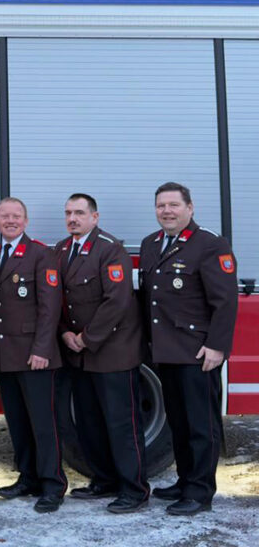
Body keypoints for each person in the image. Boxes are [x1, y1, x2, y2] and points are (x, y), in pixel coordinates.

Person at [139, 182, 238, 516]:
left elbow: (225, 301)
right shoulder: (151, 244)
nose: (166, 211)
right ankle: (185, 481)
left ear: (190, 208)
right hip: (165, 352)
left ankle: (200, 492)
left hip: (197, 353)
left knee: (201, 426)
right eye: (161, 205)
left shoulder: (210, 244)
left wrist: (217, 347)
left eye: (174, 205)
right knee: (179, 424)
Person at [55, 193, 149, 514]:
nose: (72, 219)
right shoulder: (62, 250)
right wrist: (64, 332)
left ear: (94, 217)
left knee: (122, 425)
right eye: (68, 213)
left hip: (112, 353)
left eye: (80, 213)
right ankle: (104, 480)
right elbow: (57, 299)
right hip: (79, 355)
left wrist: (86, 338)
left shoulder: (110, 249)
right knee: (89, 423)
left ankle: (134, 489)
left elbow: (117, 301)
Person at [0, 197, 67, 513]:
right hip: (3, 356)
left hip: (34, 356)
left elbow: (50, 307)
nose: (10, 221)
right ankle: (28, 478)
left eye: (16, 216)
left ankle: (53, 485)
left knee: (44, 424)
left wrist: (42, 349)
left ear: (26, 221)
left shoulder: (41, 254)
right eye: (4, 216)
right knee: (17, 422)